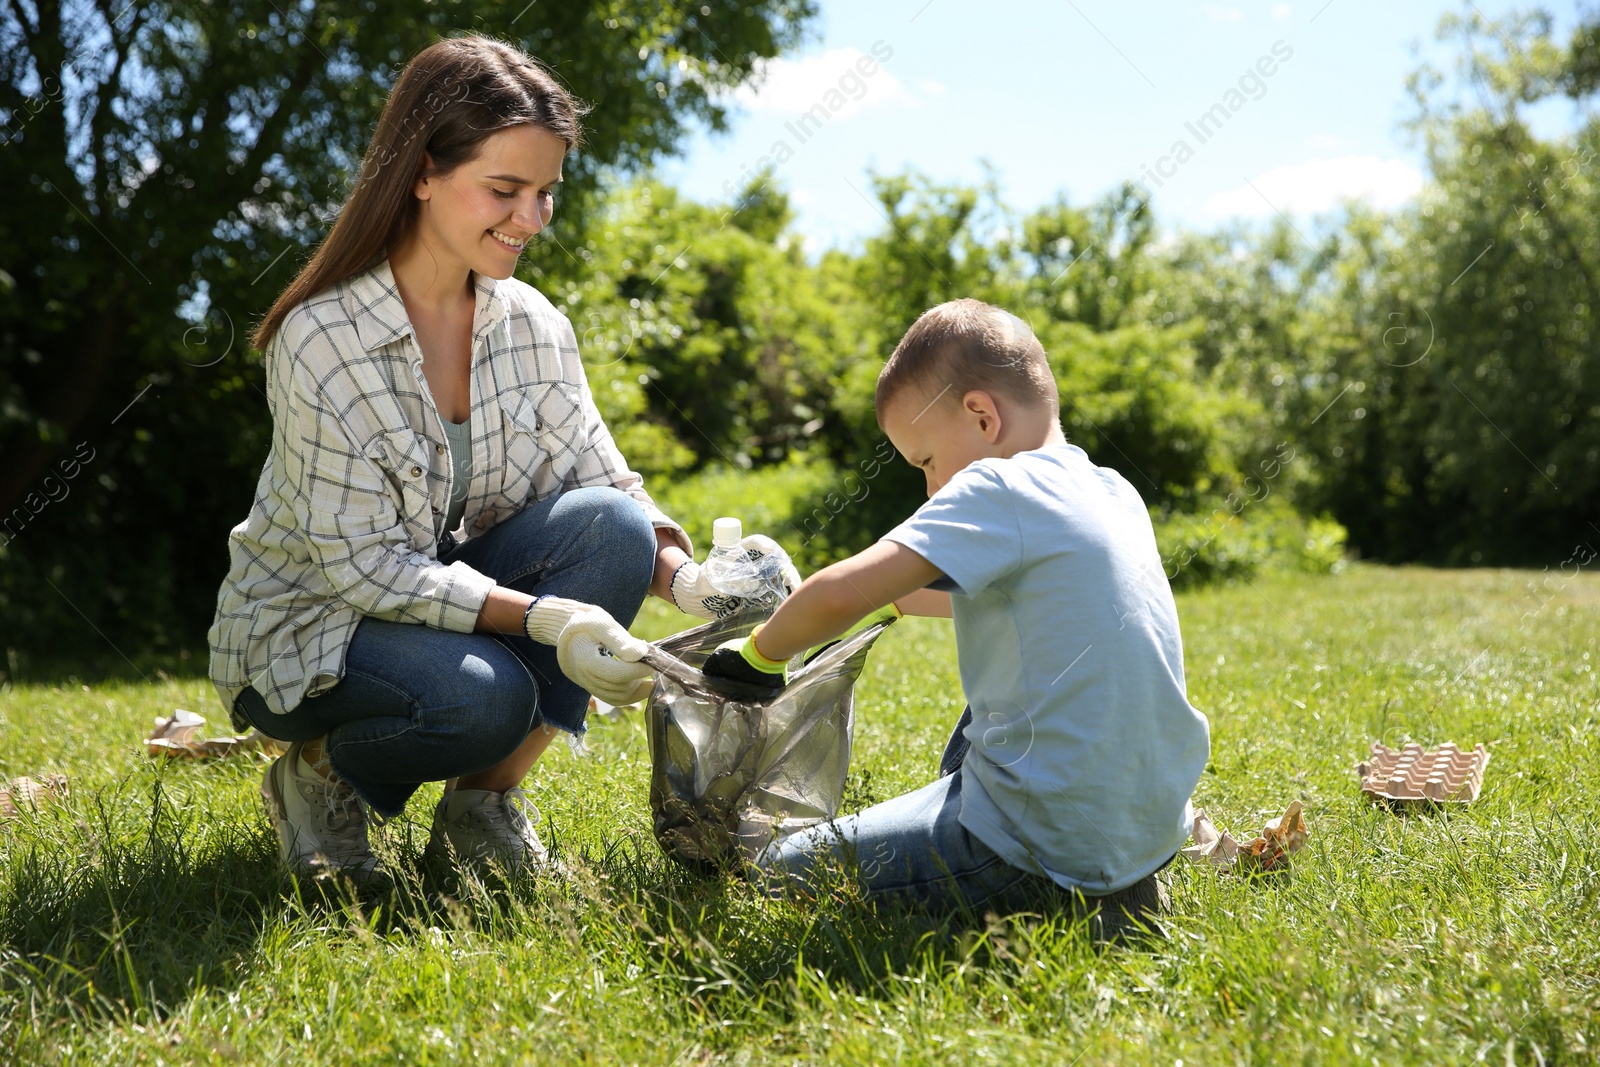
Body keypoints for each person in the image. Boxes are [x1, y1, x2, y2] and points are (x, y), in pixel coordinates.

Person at [208, 34, 792, 885]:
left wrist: (688, 580)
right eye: (505, 190)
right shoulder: (322, 337)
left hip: (449, 599)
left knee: (617, 529)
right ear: (421, 172)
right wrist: (547, 621)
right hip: (316, 627)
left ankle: (480, 808)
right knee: (483, 695)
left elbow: (603, 481)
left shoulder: (534, 324)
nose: (532, 219)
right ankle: (317, 778)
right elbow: (364, 569)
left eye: (546, 192)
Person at [701, 298, 1211, 939]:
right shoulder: (1111, 489)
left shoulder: (998, 487)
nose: (930, 489)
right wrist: (889, 600)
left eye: (925, 462)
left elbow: (840, 593)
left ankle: (1045, 884)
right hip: (1147, 819)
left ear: (981, 416)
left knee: (779, 869)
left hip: (1037, 840)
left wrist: (757, 656)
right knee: (1012, 701)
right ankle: (1117, 874)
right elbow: (991, 599)